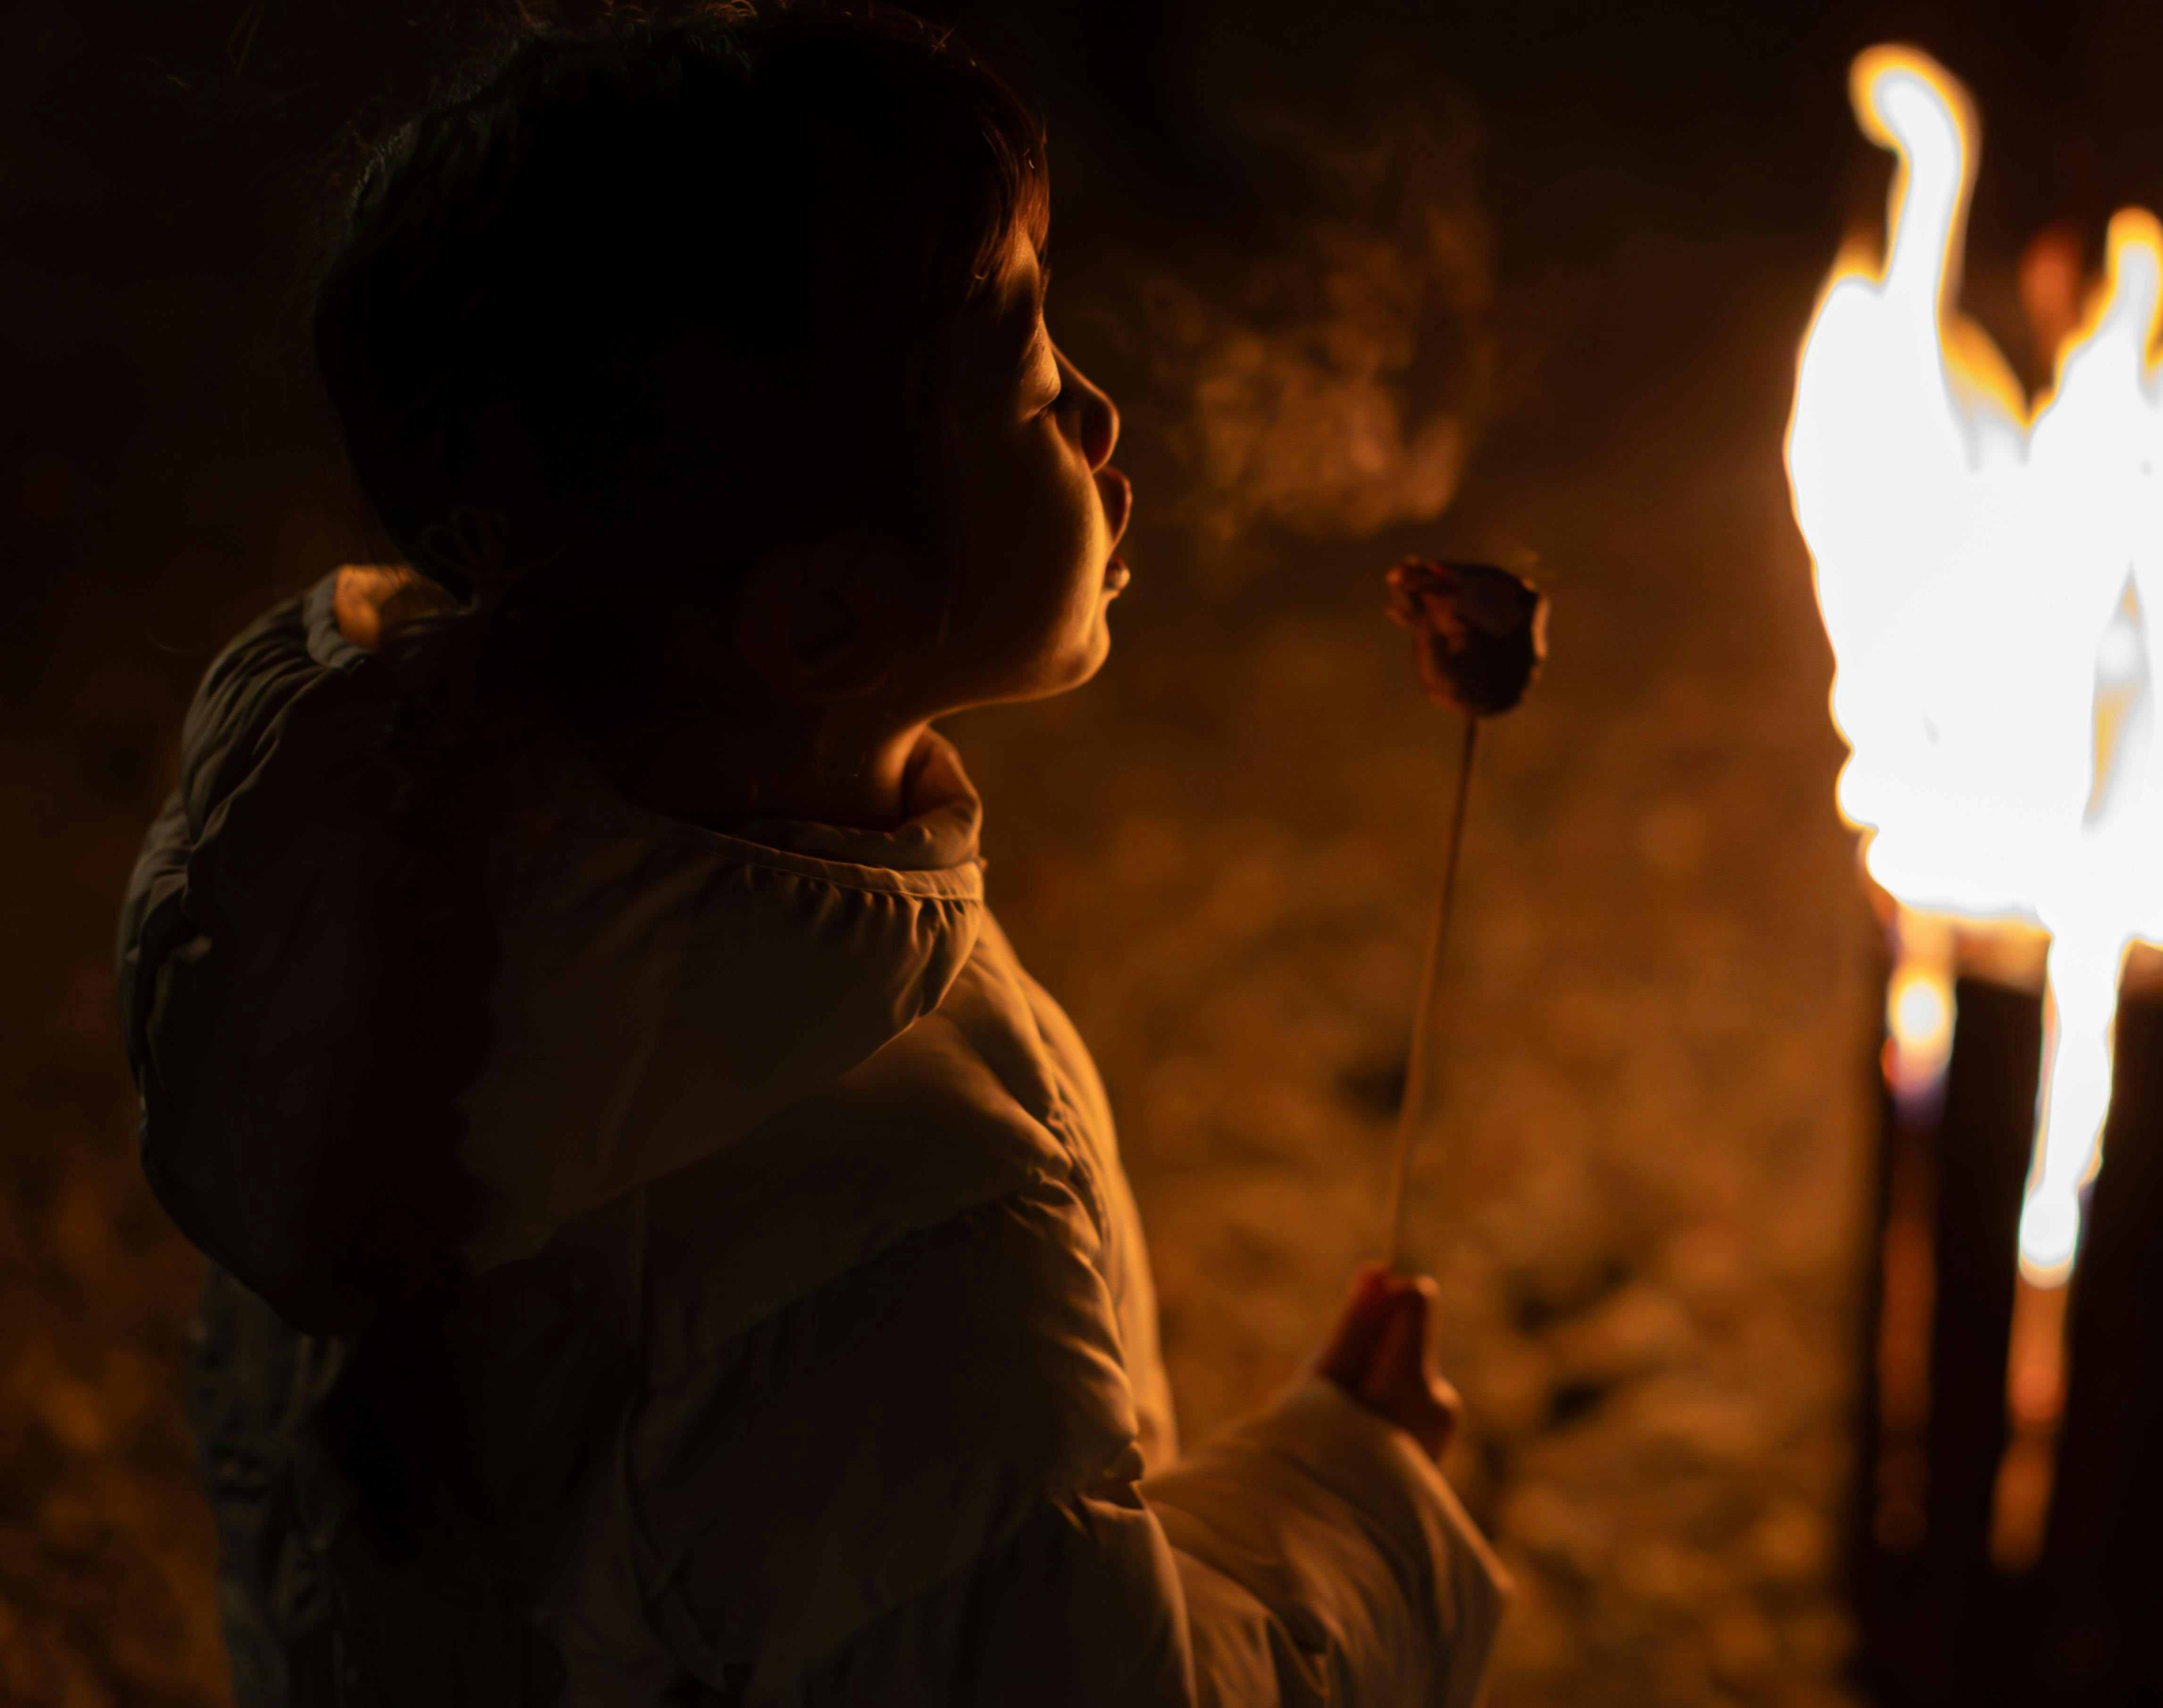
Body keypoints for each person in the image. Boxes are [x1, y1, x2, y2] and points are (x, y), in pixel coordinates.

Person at [114, 8, 1506, 1704]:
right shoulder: (900, 1206)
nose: (1103, 413)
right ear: (829, 611)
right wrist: (1362, 1493)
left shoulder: (368, 946)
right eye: (1028, 377)